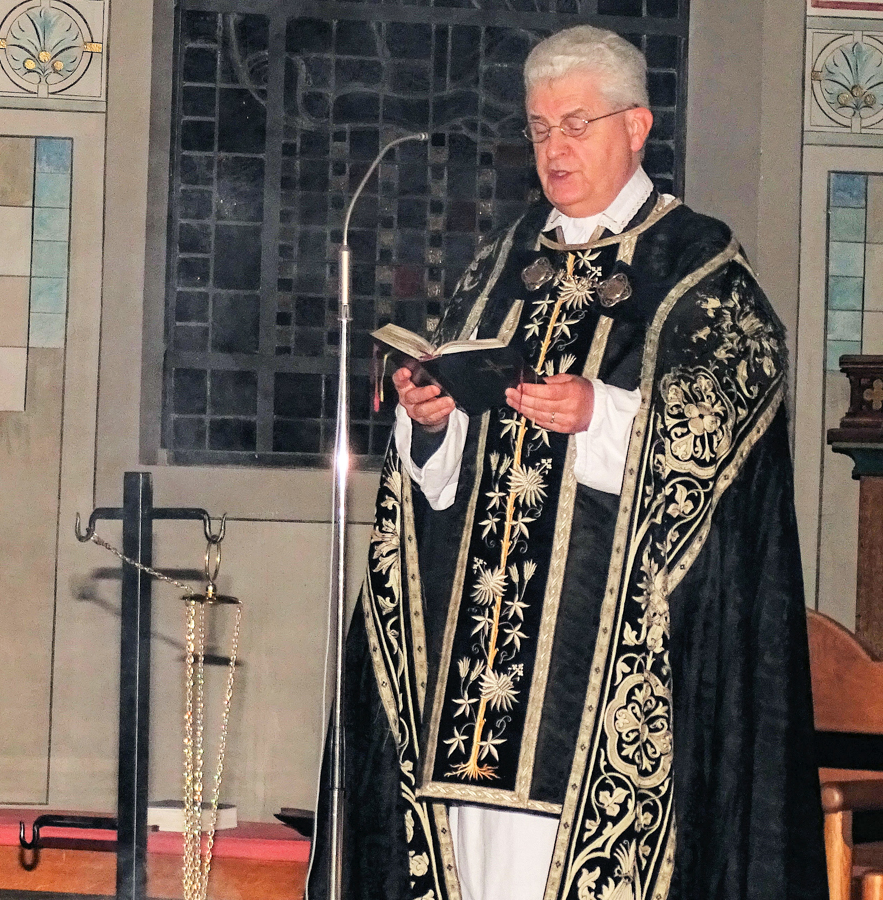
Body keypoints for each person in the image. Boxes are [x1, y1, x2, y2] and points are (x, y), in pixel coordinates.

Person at [307, 24, 828, 900]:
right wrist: (430, 420)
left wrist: (603, 413)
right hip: (474, 663)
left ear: (638, 126)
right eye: (540, 128)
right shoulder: (499, 263)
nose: (555, 147)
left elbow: (729, 425)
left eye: (577, 124)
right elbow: (437, 478)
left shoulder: (699, 266)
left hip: (606, 665)